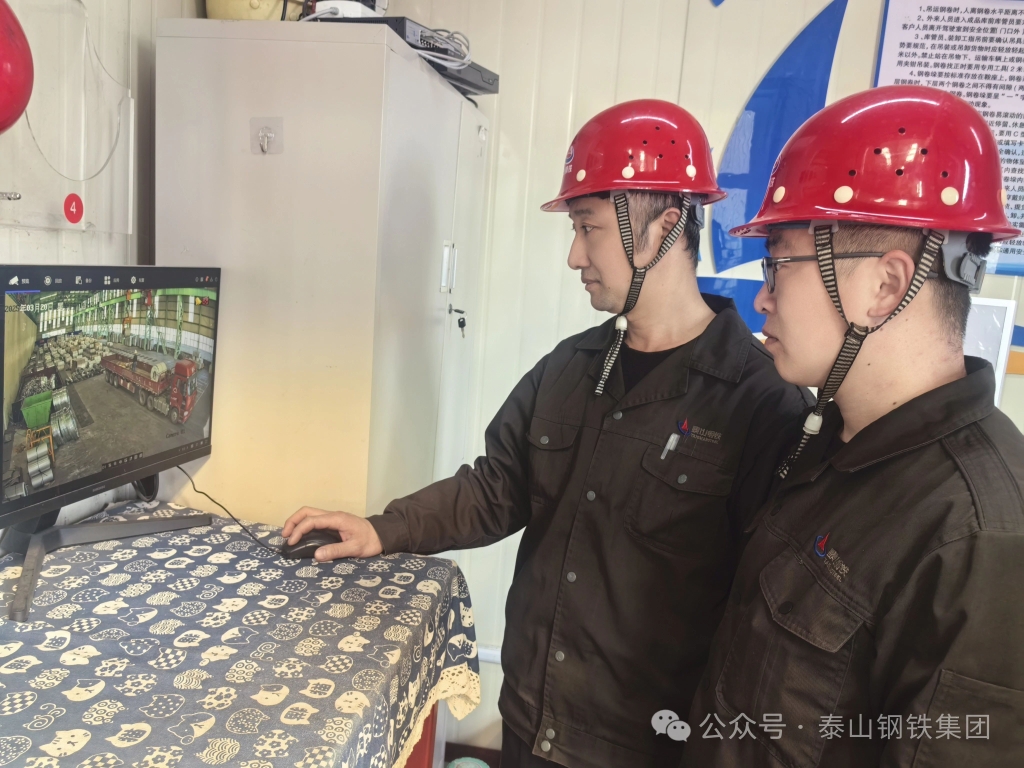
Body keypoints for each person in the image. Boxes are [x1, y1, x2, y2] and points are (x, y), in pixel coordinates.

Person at [284, 100, 810, 768]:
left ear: (663, 227)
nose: (573, 256)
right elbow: (496, 489)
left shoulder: (761, 405)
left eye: (589, 228)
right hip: (532, 724)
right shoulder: (570, 368)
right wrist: (381, 529)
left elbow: (763, 629)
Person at [684, 85, 1024, 768]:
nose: (763, 296)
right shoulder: (826, 440)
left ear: (885, 286)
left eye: (779, 262)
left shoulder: (978, 536)